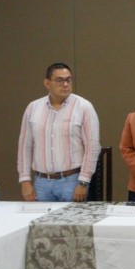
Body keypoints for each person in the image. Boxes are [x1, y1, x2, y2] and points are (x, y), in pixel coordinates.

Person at [17, 62, 101, 203]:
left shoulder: (84, 107)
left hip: (72, 180)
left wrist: (83, 182)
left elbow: (92, 147)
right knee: (41, 218)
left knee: (72, 218)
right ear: (47, 83)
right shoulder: (33, 108)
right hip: (41, 182)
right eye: (59, 80)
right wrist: (25, 180)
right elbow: (25, 146)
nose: (65, 84)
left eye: (68, 80)